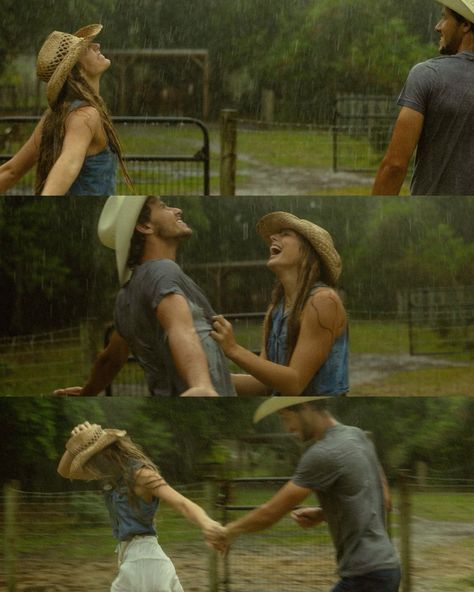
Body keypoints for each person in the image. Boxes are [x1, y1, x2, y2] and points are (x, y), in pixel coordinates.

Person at [205, 397, 400, 592]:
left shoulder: (323, 453)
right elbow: (383, 500)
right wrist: (324, 513)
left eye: (286, 418)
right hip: (388, 569)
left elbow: (271, 512)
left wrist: (230, 531)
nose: (288, 428)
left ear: (306, 407)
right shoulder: (359, 437)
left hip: (365, 576)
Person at [55, 195, 236, 396]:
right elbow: (180, 328)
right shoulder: (163, 270)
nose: (178, 210)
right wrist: (200, 385)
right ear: (144, 226)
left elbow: (111, 359)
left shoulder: (125, 296)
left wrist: (86, 393)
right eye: (164, 207)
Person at [58, 421, 221, 592]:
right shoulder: (111, 474)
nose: (91, 467)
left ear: (106, 455)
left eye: (91, 460)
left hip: (144, 561)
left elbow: (181, 503)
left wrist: (207, 524)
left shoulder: (141, 475)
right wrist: (75, 444)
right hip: (135, 559)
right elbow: (65, 471)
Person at [210, 211, 348, 396]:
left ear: (307, 251)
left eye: (286, 234)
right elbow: (265, 384)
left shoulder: (323, 301)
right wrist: (210, 379)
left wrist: (234, 350)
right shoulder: (275, 309)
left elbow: (294, 383)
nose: (273, 237)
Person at [0, 24, 132, 195]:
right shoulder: (85, 116)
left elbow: (10, 171)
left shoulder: (55, 116)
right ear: (73, 71)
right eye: (86, 49)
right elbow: (68, 164)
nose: (96, 45)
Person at [372, 0, 474, 195]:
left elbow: (394, 165)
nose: (438, 26)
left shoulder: (428, 75)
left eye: (444, 17)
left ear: (466, 25)